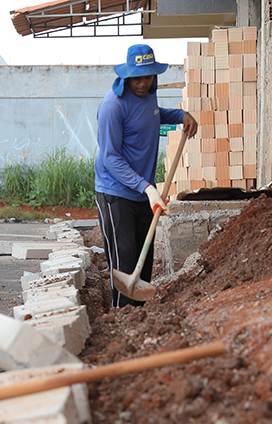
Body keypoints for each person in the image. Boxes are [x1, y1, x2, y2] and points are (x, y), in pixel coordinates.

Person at [94, 44, 198, 308]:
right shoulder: (112, 107)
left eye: (148, 76)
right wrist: (147, 188)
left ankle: (138, 317)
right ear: (127, 76)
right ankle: (121, 318)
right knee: (125, 259)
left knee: (145, 258)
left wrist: (180, 115)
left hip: (143, 192)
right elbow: (110, 158)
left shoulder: (148, 95)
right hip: (115, 193)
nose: (143, 83)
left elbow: (152, 117)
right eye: (138, 77)